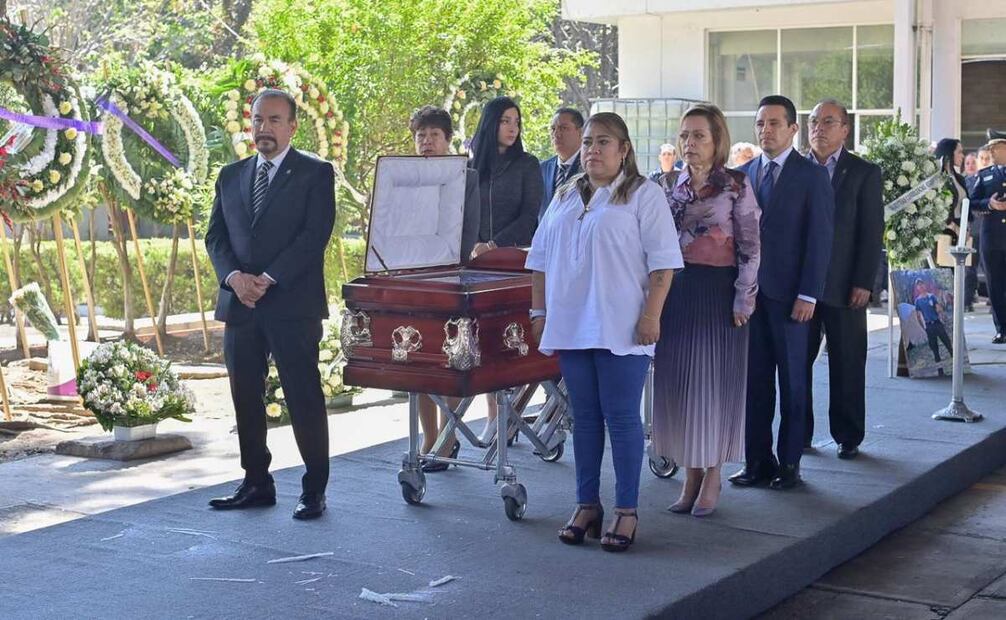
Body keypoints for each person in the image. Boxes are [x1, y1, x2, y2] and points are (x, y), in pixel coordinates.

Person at [527, 112, 683, 551]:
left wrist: (652, 315)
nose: (592, 150)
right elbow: (538, 259)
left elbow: (663, 263)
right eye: (589, 142)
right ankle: (586, 504)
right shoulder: (563, 195)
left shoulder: (643, 195)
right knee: (584, 419)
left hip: (622, 325)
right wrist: (539, 310)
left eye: (603, 142)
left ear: (624, 150)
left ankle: (627, 511)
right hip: (572, 323)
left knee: (622, 418)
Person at [205, 89, 336, 520]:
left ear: (293, 126)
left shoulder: (316, 173)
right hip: (240, 305)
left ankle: (314, 488)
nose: (264, 128)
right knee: (245, 395)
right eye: (259, 119)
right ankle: (256, 481)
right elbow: (216, 238)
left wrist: (268, 278)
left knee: (303, 397)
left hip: (291, 304)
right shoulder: (230, 175)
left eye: (275, 120)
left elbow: (314, 236)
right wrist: (234, 279)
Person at [651, 104, 760, 517]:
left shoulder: (736, 185)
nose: (689, 143)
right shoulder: (666, 184)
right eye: (684, 135)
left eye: (699, 136)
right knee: (681, 387)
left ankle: (712, 472)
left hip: (719, 293)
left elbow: (751, 246)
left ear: (717, 141)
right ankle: (690, 474)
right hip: (676, 291)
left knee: (711, 387)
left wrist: (743, 297)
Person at [729, 95, 833, 490]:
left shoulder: (811, 175)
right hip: (750, 299)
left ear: (792, 128)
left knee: (792, 382)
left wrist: (809, 294)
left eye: (774, 123)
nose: (765, 130)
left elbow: (820, 239)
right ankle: (758, 461)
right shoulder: (741, 174)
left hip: (792, 299)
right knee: (754, 383)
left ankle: (789, 463)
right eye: (760, 123)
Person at [802, 99, 883, 460]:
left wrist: (864, 281)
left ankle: (848, 435)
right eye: (814, 121)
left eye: (828, 122)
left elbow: (871, 231)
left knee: (848, 361)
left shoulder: (863, 172)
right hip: (799, 287)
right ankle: (798, 432)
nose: (819, 127)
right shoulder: (794, 169)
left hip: (845, 285)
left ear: (845, 129)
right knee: (796, 363)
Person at [468, 96, 544, 443]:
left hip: (514, 263)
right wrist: (475, 244)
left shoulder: (528, 164)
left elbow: (531, 216)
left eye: (517, 121)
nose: (513, 128)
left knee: (515, 339)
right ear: (490, 123)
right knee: (486, 340)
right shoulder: (472, 167)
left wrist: (495, 244)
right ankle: (495, 415)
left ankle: (515, 410)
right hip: (475, 265)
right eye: (505, 121)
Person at [409, 105, 481, 471]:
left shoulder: (467, 176)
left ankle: (449, 437)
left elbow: (469, 232)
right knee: (418, 359)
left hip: (452, 277)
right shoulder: (404, 176)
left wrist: (453, 266)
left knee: (450, 358)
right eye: (421, 135)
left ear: (448, 140)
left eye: (434, 135)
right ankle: (428, 435)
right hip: (414, 279)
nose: (427, 142)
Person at [969, 138, 1006, 344]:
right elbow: (973, 202)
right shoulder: (984, 176)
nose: (993, 153)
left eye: (997, 149)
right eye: (991, 150)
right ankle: (1002, 328)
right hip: (991, 239)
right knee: (995, 285)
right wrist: (990, 204)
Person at [933, 138, 976, 311]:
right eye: (959, 151)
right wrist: (954, 227)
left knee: (957, 280)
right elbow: (937, 207)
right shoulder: (937, 177)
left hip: (960, 233)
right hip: (944, 233)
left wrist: (966, 228)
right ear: (949, 153)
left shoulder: (959, 178)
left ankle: (954, 328)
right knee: (942, 282)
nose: (962, 155)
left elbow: (966, 205)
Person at [539, 107, 584, 218]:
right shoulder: (542, 168)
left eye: (563, 128)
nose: (556, 134)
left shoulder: (589, 168)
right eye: (553, 129)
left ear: (581, 132)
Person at [913, 281, 953, 362]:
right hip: (928, 325)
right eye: (918, 285)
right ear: (917, 288)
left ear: (924, 285)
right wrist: (923, 327)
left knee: (946, 340)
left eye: (922, 284)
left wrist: (940, 310)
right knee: (933, 344)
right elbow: (918, 315)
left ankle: (953, 355)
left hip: (937, 322)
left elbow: (939, 309)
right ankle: (938, 360)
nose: (921, 286)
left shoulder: (931, 296)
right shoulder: (917, 301)